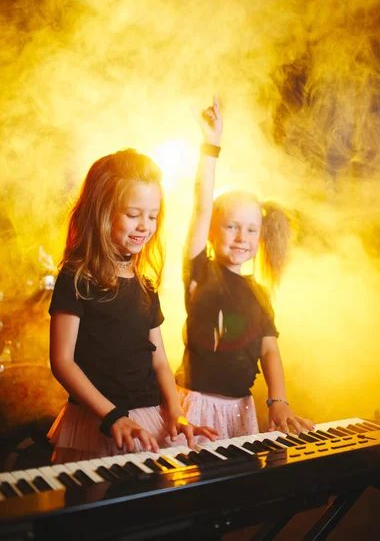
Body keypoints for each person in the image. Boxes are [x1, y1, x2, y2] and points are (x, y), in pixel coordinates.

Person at [48, 148, 218, 464]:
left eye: (152, 216)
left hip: (151, 418)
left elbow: (160, 363)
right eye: (133, 214)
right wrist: (112, 417)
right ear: (102, 211)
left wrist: (176, 413)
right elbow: (62, 361)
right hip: (99, 419)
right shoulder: (76, 277)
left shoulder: (144, 284)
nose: (145, 226)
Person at [175, 97, 314, 441]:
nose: (242, 237)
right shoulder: (200, 273)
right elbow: (201, 204)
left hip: (242, 410)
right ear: (210, 231)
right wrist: (211, 146)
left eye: (251, 229)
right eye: (231, 226)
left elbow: (269, 350)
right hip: (195, 407)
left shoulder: (260, 293)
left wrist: (278, 401)